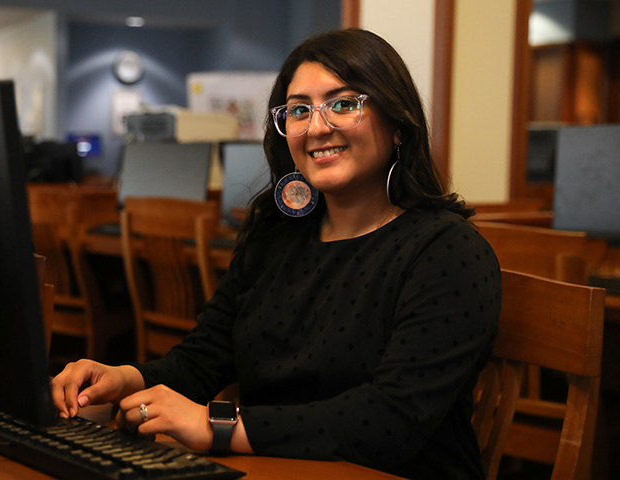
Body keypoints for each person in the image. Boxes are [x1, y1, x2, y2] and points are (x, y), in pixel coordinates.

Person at [52, 28, 501, 479]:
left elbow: (391, 420)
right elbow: (202, 360)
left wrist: (218, 426)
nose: (317, 127)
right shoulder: (274, 232)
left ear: (398, 124)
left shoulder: (446, 250)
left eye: (343, 104)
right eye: (299, 110)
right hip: (274, 467)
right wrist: (125, 379)